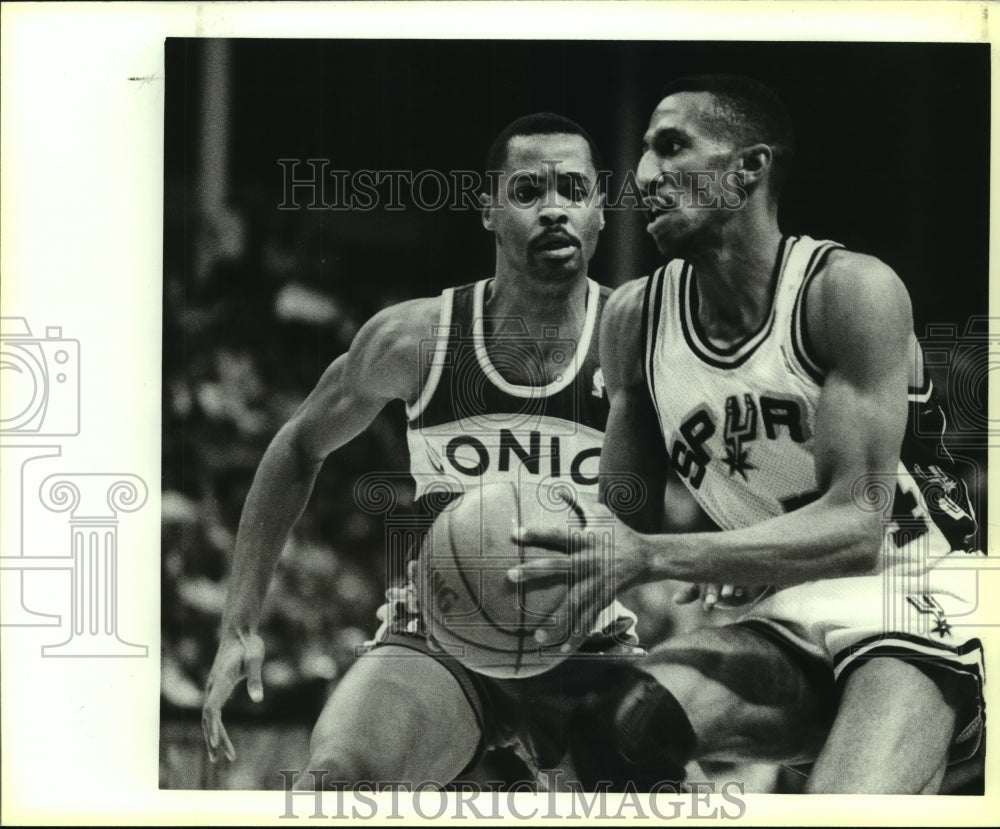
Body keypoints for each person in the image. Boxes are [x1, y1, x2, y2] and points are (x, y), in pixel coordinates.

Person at [512, 75, 984, 793]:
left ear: (748, 168)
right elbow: (621, 524)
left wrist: (661, 555)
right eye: (642, 154)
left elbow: (857, 526)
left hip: (912, 589)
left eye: (671, 148)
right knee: (615, 729)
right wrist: (517, 582)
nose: (643, 177)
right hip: (780, 610)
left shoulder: (847, 291)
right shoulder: (634, 320)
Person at [200, 113, 646, 789]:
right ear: (488, 210)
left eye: (573, 189)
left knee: (677, 793)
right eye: (527, 190)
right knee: (335, 784)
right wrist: (239, 624)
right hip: (440, 632)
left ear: (599, 212)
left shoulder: (643, 342)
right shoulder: (417, 339)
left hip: (587, 641)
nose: (553, 208)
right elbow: (296, 446)